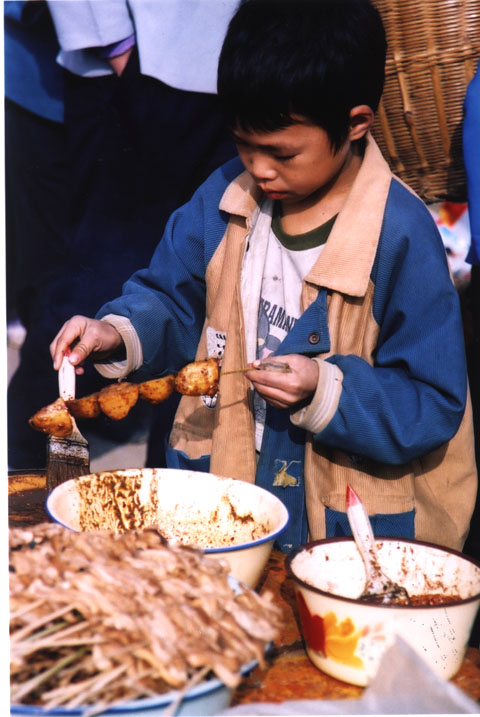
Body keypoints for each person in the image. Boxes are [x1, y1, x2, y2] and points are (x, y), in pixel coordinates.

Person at [50, 0, 476, 554]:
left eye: (280, 152)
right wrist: (118, 332)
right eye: (243, 144)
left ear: (355, 125)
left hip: (341, 539)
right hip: (222, 492)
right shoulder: (222, 201)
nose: (258, 168)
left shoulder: (400, 237)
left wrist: (325, 390)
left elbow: (432, 398)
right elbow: (172, 300)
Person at [8, 0, 239, 469]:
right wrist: (115, 44)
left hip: (241, 66)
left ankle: (170, 474)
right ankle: (25, 472)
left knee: (217, 290)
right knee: (103, 271)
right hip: (136, 64)